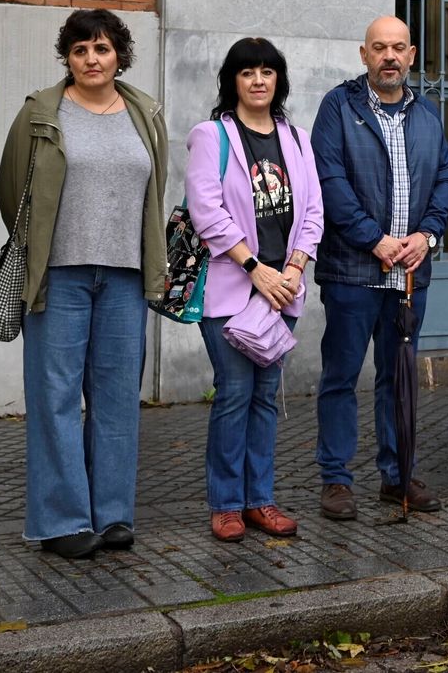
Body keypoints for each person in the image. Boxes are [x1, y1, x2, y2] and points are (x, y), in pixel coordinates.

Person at [0, 10, 167, 559]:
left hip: (124, 276)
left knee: (118, 399)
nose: (91, 60)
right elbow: (9, 190)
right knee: (57, 399)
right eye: (79, 51)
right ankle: (63, 521)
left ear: (120, 54)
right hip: (60, 275)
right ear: (66, 58)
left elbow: (154, 188)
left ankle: (112, 514)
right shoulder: (40, 114)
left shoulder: (144, 112)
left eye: (101, 49)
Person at [312, 16, 448, 521]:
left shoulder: (427, 112)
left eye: (398, 48)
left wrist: (427, 236)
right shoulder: (338, 107)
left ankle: (398, 474)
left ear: (412, 55)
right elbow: (329, 179)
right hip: (353, 272)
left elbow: (445, 177)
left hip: (410, 275)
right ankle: (336, 480)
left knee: (399, 379)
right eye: (380, 48)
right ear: (363, 54)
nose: (389, 57)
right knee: (342, 376)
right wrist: (374, 239)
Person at [186, 38, 324, 541]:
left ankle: (259, 500)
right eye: (248, 72)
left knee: (266, 394)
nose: (258, 80)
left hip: (284, 288)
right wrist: (254, 268)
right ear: (233, 81)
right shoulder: (211, 135)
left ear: (278, 80)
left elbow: (313, 211)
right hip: (232, 286)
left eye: (267, 72)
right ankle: (225, 503)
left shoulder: (297, 138)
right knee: (234, 391)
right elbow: (206, 211)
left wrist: (294, 267)